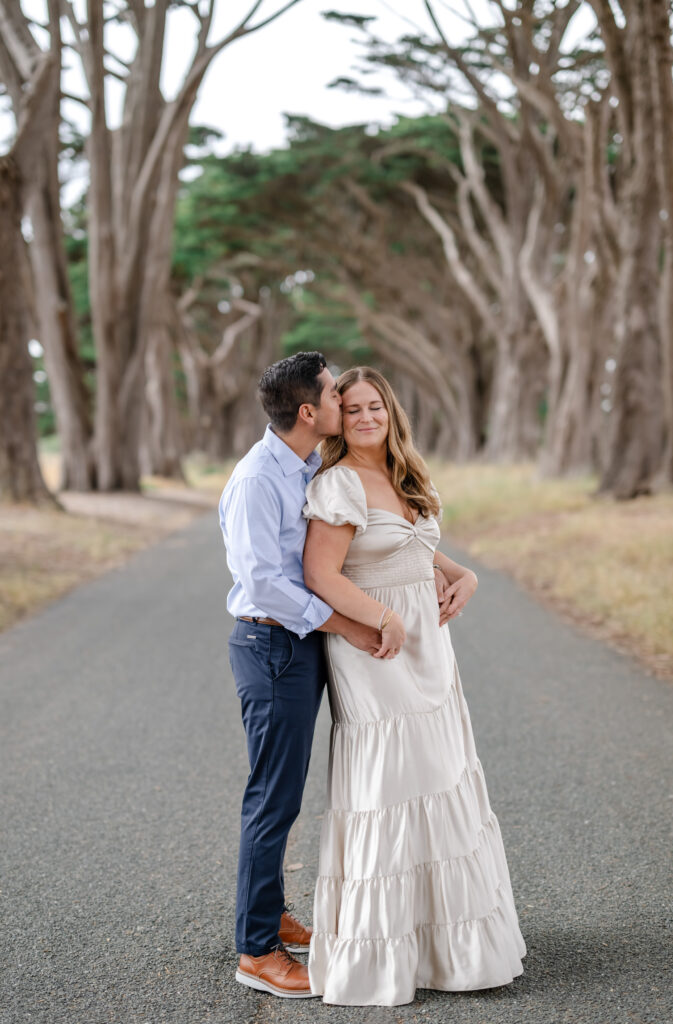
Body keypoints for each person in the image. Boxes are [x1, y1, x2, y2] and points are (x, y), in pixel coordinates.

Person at [302, 366, 527, 1006]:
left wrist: (466, 575)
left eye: (375, 406)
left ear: (390, 411)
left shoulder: (404, 474)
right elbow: (321, 575)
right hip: (375, 648)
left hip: (430, 650)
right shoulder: (339, 482)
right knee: (391, 786)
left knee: (440, 777)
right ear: (337, 420)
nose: (365, 416)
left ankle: (444, 950)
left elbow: (415, 550)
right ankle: (380, 952)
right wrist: (384, 617)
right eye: (352, 409)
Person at [218, 352, 389, 999]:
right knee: (273, 797)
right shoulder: (259, 478)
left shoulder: (309, 464)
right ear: (309, 411)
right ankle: (256, 950)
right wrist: (347, 625)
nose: (347, 402)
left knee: (283, 794)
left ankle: (270, 916)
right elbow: (263, 581)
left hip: (296, 645)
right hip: (271, 648)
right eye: (333, 394)